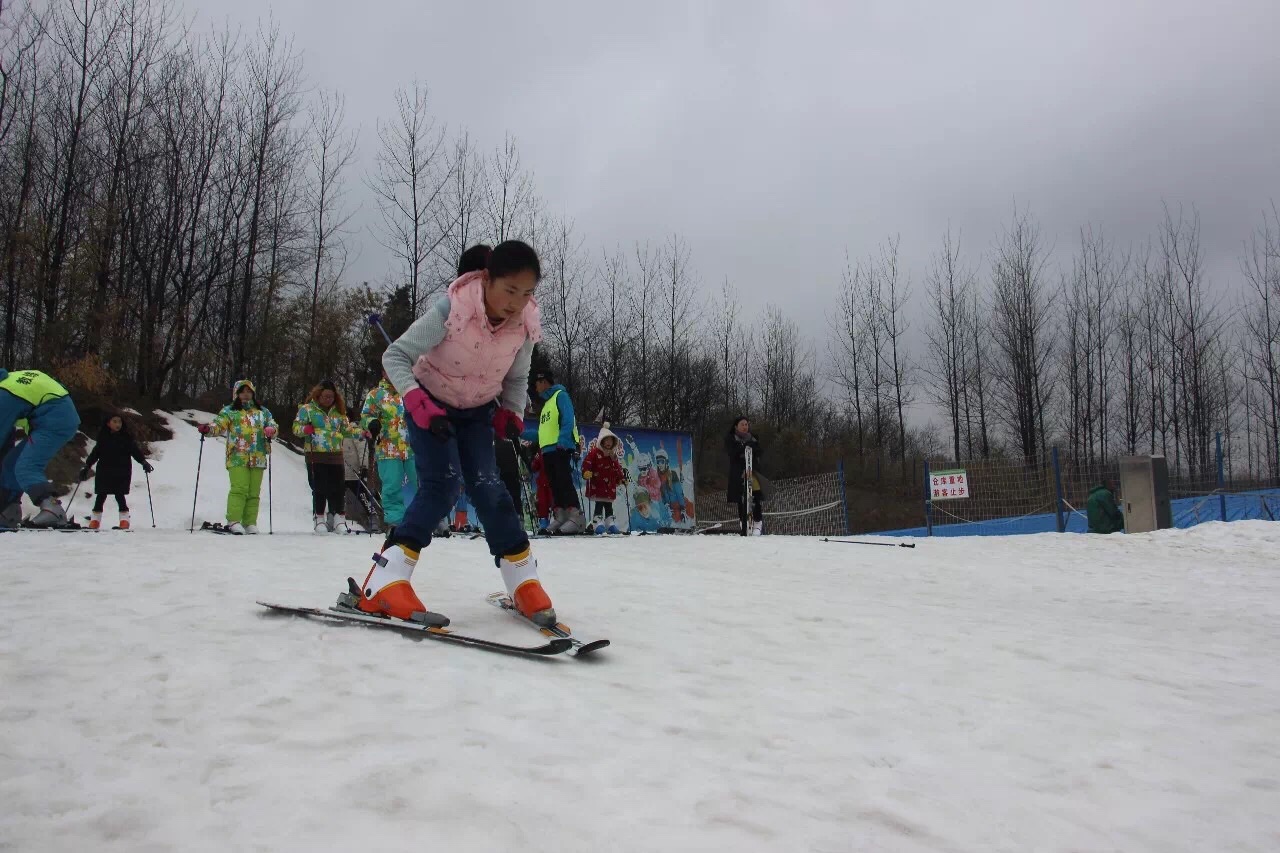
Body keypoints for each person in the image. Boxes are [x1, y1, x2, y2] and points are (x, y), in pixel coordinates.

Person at [360, 240, 557, 626]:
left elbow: (517, 378)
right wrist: (416, 400)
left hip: (477, 410)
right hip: (431, 404)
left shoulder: (524, 326)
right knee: (443, 485)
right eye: (510, 290)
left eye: (528, 292)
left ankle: (522, 580)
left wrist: (513, 412)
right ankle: (384, 581)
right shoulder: (453, 310)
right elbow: (394, 356)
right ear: (487, 279)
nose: (517, 301)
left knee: (490, 486)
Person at [0, 368, 81, 528]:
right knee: (11, 464)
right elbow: (6, 436)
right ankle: (9, 511)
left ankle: (53, 509)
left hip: (53, 422)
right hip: (56, 417)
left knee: (26, 467)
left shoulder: (4, 394)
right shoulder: (11, 380)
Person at [198, 380, 277, 535]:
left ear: (253, 393)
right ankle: (234, 520)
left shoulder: (263, 412)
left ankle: (250, 522)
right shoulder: (229, 411)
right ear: (236, 394)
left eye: (249, 391)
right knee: (239, 489)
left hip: (258, 457)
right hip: (237, 456)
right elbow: (219, 425)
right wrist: (208, 430)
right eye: (242, 391)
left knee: (254, 492)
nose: (246, 394)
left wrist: (271, 430)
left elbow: (274, 425)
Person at [294, 380, 362, 534]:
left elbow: (347, 429)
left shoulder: (338, 412)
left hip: (335, 454)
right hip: (315, 454)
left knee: (338, 487)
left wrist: (362, 433)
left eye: (331, 397)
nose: (328, 400)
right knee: (319, 487)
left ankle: (338, 517)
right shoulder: (308, 410)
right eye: (325, 396)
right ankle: (319, 517)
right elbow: (296, 428)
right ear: (319, 395)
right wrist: (305, 429)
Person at [359, 372, 415, 530]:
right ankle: (396, 522)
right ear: (384, 371)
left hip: (414, 446)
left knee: (423, 481)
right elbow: (365, 416)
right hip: (388, 448)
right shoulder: (376, 394)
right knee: (391, 485)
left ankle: (431, 519)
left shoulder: (412, 390)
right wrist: (372, 422)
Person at [533, 369, 586, 534]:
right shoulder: (546, 404)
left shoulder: (560, 396)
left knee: (564, 481)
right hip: (547, 450)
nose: (535, 388)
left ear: (544, 382)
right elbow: (542, 432)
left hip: (559, 447)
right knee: (554, 484)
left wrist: (563, 441)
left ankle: (575, 516)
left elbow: (568, 419)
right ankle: (560, 515)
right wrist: (520, 432)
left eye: (537, 384)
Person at [80, 413, 152, 530]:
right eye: (115, 421)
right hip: (104, 470)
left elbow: (135, 451)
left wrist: (143, 462)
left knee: (120, 495)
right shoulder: (103, 438)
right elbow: (95, 454)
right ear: (108, 423)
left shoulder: (126, 438)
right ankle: (95, 521)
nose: (118, 424)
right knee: (101, 495)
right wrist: (87, 466)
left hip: (121, 470)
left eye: (119, 422)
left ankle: (124, 521)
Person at [582, 423, 625, 533]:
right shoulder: (594, 453)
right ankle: (597, 523)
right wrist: (586, 471)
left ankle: (610, 522)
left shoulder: (613, 456)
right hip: (598, 484)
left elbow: (617, 468)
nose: (609, 443)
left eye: (611, 440)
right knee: (599, 504)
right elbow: (587, 462)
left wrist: (621, 478)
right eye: (606, 440)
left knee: (609, 505)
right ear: (601, 441)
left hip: (610, 486)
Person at [726, 415, 764, 536]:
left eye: (746, 424)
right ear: (736, 426)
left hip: (753, 472)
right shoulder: (731, 438)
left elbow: (758, 451)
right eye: (742, 424)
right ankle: (743, 522)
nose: (744, 427)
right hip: (739, 473)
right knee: (741, 498)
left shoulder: (753, 438)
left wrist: (747, 447)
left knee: (756, 496)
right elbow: (733, 453)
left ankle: (758, 523)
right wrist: (743, 448)